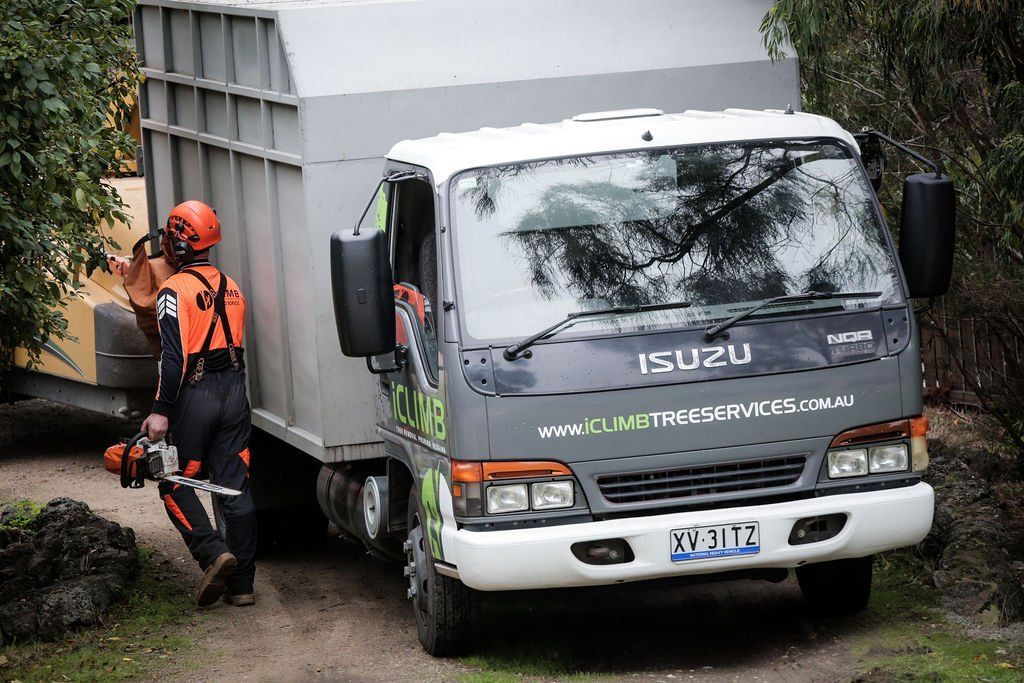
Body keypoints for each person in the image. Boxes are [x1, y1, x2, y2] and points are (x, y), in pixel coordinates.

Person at [139, 200, 257, 607]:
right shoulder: (234, 287)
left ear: (180, 245)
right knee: (234, 487)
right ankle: (242, 585)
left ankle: (212, 552)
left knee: (175, 481)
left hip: (196, 395)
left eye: (170, 239)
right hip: (234, 394)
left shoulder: (173, 291)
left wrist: (161, 410)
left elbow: (174, 359)